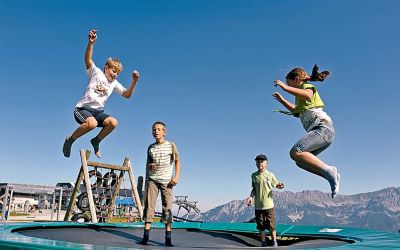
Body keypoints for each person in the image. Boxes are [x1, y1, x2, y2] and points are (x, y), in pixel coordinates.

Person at [62, 29, 140, 158]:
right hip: (82, 109)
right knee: (91, 124)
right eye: (113, 71)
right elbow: (88, 59)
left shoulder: (114, 83)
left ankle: (96, 140)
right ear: (106, 68)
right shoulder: (96, 72)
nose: (114, 74)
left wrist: (134, 82)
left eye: (117, 73)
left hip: (98, 113)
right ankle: (70, 140)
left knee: (113, 122)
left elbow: (127, 94)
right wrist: (91, 43)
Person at [272, 64, 340, 198]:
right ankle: (330, 176)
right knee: (299, 161)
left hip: (323, 129)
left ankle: (329, 170)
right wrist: (282, 100)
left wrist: (285, 88)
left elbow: (308, 96)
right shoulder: (299, 98)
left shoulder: (307, 87)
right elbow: (295, 111)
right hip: (322, 133)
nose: (288, 85)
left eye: (289, 83)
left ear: (297, 80)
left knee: (295, 151)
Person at [140, 121, 180, 247]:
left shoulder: (171, 145)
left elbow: (177, 161)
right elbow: (148, 165)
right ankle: (145, 238)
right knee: (149, 206)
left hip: (167, 182)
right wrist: (150, 166)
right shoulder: (151, 147)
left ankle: (168, 240)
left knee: (167, 208)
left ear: (164, 132)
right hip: (152, 180)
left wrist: (176, 176)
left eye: (158, 129)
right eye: (154, 129)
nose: (156, 131)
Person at [247, 154, 284, 247]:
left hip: (269, 205)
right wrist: (251, 197)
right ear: (256, 164)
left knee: (272, 225)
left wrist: (280, 186)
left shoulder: (270, 175)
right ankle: (263, 243)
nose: (259, 163)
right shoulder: (254, 176)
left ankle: (274, 242)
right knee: (261, 226)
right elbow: (254, 189)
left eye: (261, 162)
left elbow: (276, 185)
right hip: (258, 206)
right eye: (257, 162)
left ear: (266, 164)